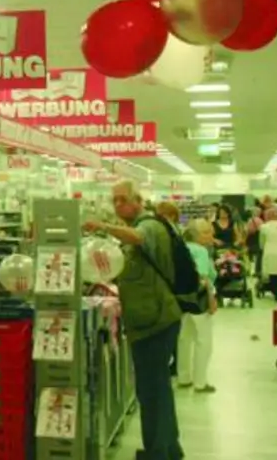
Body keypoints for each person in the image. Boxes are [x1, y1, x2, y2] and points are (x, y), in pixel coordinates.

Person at [84, 181, 183, 460]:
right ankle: (168, 448)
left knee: (152, 390)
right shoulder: (139, 226)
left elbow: (138, 237)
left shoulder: (150, 224)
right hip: (148, 320)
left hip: (156, 321)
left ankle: (158, 452)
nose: (118, 206)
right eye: (114, 201)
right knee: (157, 387)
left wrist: (103, 227)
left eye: (122, 200)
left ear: (138, 200)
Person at [177, 219, 219, 394]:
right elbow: (202, 277)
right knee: (204, 341)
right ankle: (200, 382)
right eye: (207, 232)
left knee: (184, 339)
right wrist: (211, 299)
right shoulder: (200, 251)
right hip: (199, 299)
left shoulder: (181, 248)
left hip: (181, 299)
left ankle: (184, 377)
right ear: (197, 235)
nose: (211, 235)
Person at [259, 207, 277, 298]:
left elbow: (261, 243)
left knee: (272, 274)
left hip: (269, 252)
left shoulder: (263, 227)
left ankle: (276, 291)